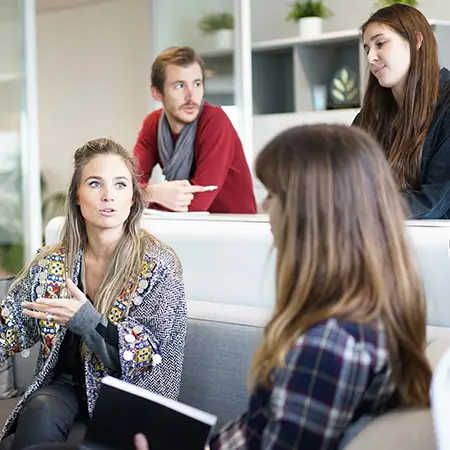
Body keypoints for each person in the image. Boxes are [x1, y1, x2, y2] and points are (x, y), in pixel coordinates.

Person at [206, 124, 432, 449]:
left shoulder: (329, 345)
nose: (264, 207)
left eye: (273, 194)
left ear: (309, 213)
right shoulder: (369, 314)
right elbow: (259, 429)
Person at [0, 138, 187, 450]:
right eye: (95, 183)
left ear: (133, 198)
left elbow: (146, 355)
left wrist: (86, 320)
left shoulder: (159, 266)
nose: (108, 196)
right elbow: (11, 326)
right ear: (77, 195)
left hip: (128, 395)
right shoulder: (51, 262)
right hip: (64, 388)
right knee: (40, 408)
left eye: (120, 184)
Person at [352, 4, 450, 219]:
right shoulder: (369, 117)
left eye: (380, 43)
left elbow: (434, 201)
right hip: (379, 240)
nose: (371, 58)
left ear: (416, 41)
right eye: (367, 49)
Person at [133, 46, 257, 214]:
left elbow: (197, 203)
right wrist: (152, 192)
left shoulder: (215, 121)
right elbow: (127, 185)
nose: (191, 96)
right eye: (179, 86)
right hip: (189, 227)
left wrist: (144, 196)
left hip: (233, 229)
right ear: (157, 93)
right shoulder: (153, 124)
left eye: (197, 84)